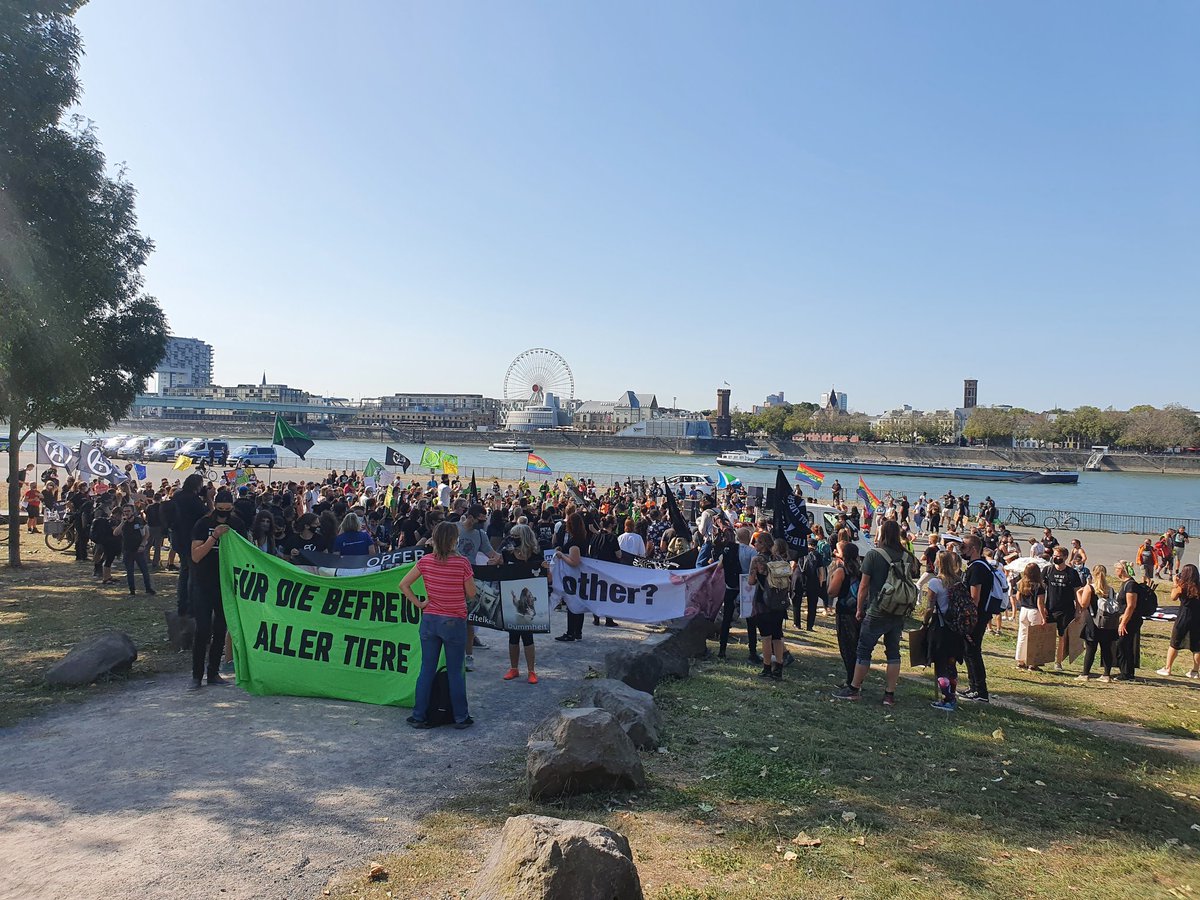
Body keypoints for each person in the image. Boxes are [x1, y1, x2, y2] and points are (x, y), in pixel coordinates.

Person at [833, 520, 919, 706]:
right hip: (898, 609)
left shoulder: (873, 555)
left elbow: (863, 586)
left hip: (878, 608)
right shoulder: (907, 556)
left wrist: (858, 608)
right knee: (893, 651)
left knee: (864, 649)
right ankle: (889, 694)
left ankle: (854, 688)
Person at [399, 521, 475, 728]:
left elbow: (404, 584)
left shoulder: (425, 561)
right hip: (454, 620)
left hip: (430, 618)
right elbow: (471, 593)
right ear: (453, 540)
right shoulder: (462, 563)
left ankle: (419, 714)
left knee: (427, 669)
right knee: (455, 671)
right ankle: (460, 717)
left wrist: (420, 603)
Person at [188, 489, 247, 691]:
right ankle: (197, 675)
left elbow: (245, 553)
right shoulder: (202, 524)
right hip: (203, 583)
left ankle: (213, 672)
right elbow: (195, 556)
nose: (223, 514)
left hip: (226, 584)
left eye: (227, 510)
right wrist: (213, 537)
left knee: (221, 629)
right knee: (203, 629)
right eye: (220, 510)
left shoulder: (237, 524)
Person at [924, 551, 966, 711]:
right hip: (955, 627)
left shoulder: (935, 583)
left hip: (940, 627)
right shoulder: (958, 581)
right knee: (951, 663)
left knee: (940, 665)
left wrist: (924, 622)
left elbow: (930, 607)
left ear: (938, 563)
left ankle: (948, 699)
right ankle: (952, 695)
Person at [501, 524, 543, 684]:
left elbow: (548, 578)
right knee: (513, 636)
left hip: (528, 599)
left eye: (515, 536)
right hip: (512, 600)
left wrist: (546, 569)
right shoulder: (507, 554)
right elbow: (500, 570)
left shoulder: (535, 555)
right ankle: (514, 668)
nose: (512, 539)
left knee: (527, 637)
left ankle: (531, 671)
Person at [747, 535, 790, 680]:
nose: (755, 544)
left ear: (763, 544)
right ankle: (779, 667)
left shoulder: (757, 560)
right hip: (779, 602)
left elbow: (751, 581)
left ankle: (766, 667)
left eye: (757, 542)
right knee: (777, 636)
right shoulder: (778, 559)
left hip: (763, 602)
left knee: (766, 637)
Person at [959, 534, 995, 703]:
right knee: (968, 651)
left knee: (973, 652)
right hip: (977, 615)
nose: (961, 550)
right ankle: (973, 687)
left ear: (973, 549)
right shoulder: (979, 566)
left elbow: (975, 597)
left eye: (964, 547)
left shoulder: (977, 568)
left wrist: (968, 617)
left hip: (976, 617)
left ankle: (980, 691)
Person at [1156, 564, 1200, 679]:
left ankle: (1168, 668)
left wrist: (1175, 583)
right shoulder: (1198, 587)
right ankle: (1195, 671)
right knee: (1197, 646)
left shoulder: (1182, 586)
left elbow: (1173, 597)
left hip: (1184, 616)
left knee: (1174, 642)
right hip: (1197, 618)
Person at [1078, 564, 1119, 682]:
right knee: (1106, 648)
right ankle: (1106, 675)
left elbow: (1083, 605)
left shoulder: (1090, 588)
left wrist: (1079, 594)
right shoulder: (1110, 589)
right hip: (1108, 622)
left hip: (1093, 621)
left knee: (1091, 648)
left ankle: (1085, 674)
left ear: (1093, 574)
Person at [1044, 549, 1084, 672]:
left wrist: (1078, 610)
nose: (1056, 558)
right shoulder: (1047, 570)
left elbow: (1077, 592)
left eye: (1059, 556)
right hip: (1049, 608)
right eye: (1054, 555)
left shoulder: (1072, 573)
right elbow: (1041, 589)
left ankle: (1058, 662)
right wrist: (1041, 607)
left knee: (1062, 637)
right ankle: (1042, 659)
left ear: (1065, 557)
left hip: (1066, 610)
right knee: (1047, 636)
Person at [828, 541, 862, 687]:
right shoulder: (861, 571)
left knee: (847, 647)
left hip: (844, 612)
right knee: (857, 646)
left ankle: (851, 680)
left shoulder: (841, 571)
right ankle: (856, 678)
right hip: (859, 611)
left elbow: (832, 592)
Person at [553, 513, 590, 642]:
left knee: (572, 604)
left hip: (573, 577)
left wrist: (561, 556)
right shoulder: (583, 538)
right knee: (578, 604)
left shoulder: (575, 542)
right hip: (579, 577)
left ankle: (571, 632)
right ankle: (577, 631)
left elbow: (575, 562)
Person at [1013, 563, 1047, 671]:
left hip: (1024, 610)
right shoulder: (1039, 586)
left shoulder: (1021, 583)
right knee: (1034, 638)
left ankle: (1020, 660)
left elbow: (1017, 597)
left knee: (1022, 635)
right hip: (1034, 611)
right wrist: (1044, 618)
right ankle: (1032, 663)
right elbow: (1040, 603)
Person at [115, 503, 155, 596]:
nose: (127, 513)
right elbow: (115, 533)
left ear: (133, 511)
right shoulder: (123, 523)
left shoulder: (139, 521)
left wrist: (142, 544)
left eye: (128, 511)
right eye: (125, 511)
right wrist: (122, 523)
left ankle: (148, 589)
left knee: (144, 570)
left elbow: (146, 534)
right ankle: (132, 591)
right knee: (129, 571)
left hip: (139, 550)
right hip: (127, 550)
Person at [1114, 560, 1143, 682]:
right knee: (1124, 645)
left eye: (1117, 568)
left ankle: (1126, 673)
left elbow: (1131, 605)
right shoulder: (1124, 583)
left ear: (1122, 570)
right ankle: (1126, 671)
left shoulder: (1131, 585)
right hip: (1125, 618)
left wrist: (1123, 622)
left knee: (1123, 644)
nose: (1115, 571)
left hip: (1130, 620)